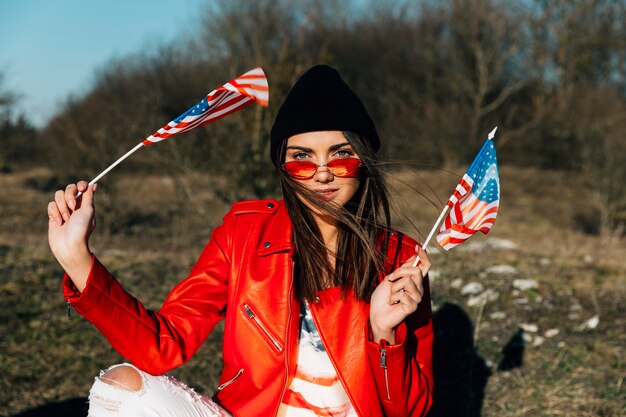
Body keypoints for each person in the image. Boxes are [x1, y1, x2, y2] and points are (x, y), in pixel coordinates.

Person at [47, 64, 433, 417]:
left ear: (363, 162)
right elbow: (163, 344)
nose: (322, 174)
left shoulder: (401, 258)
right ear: (284, 168)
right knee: (120, 388)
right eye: (302, 158)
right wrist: (77, 259)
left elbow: (409, 410)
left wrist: (384, 333)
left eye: (341, 156)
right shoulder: (244, 233)